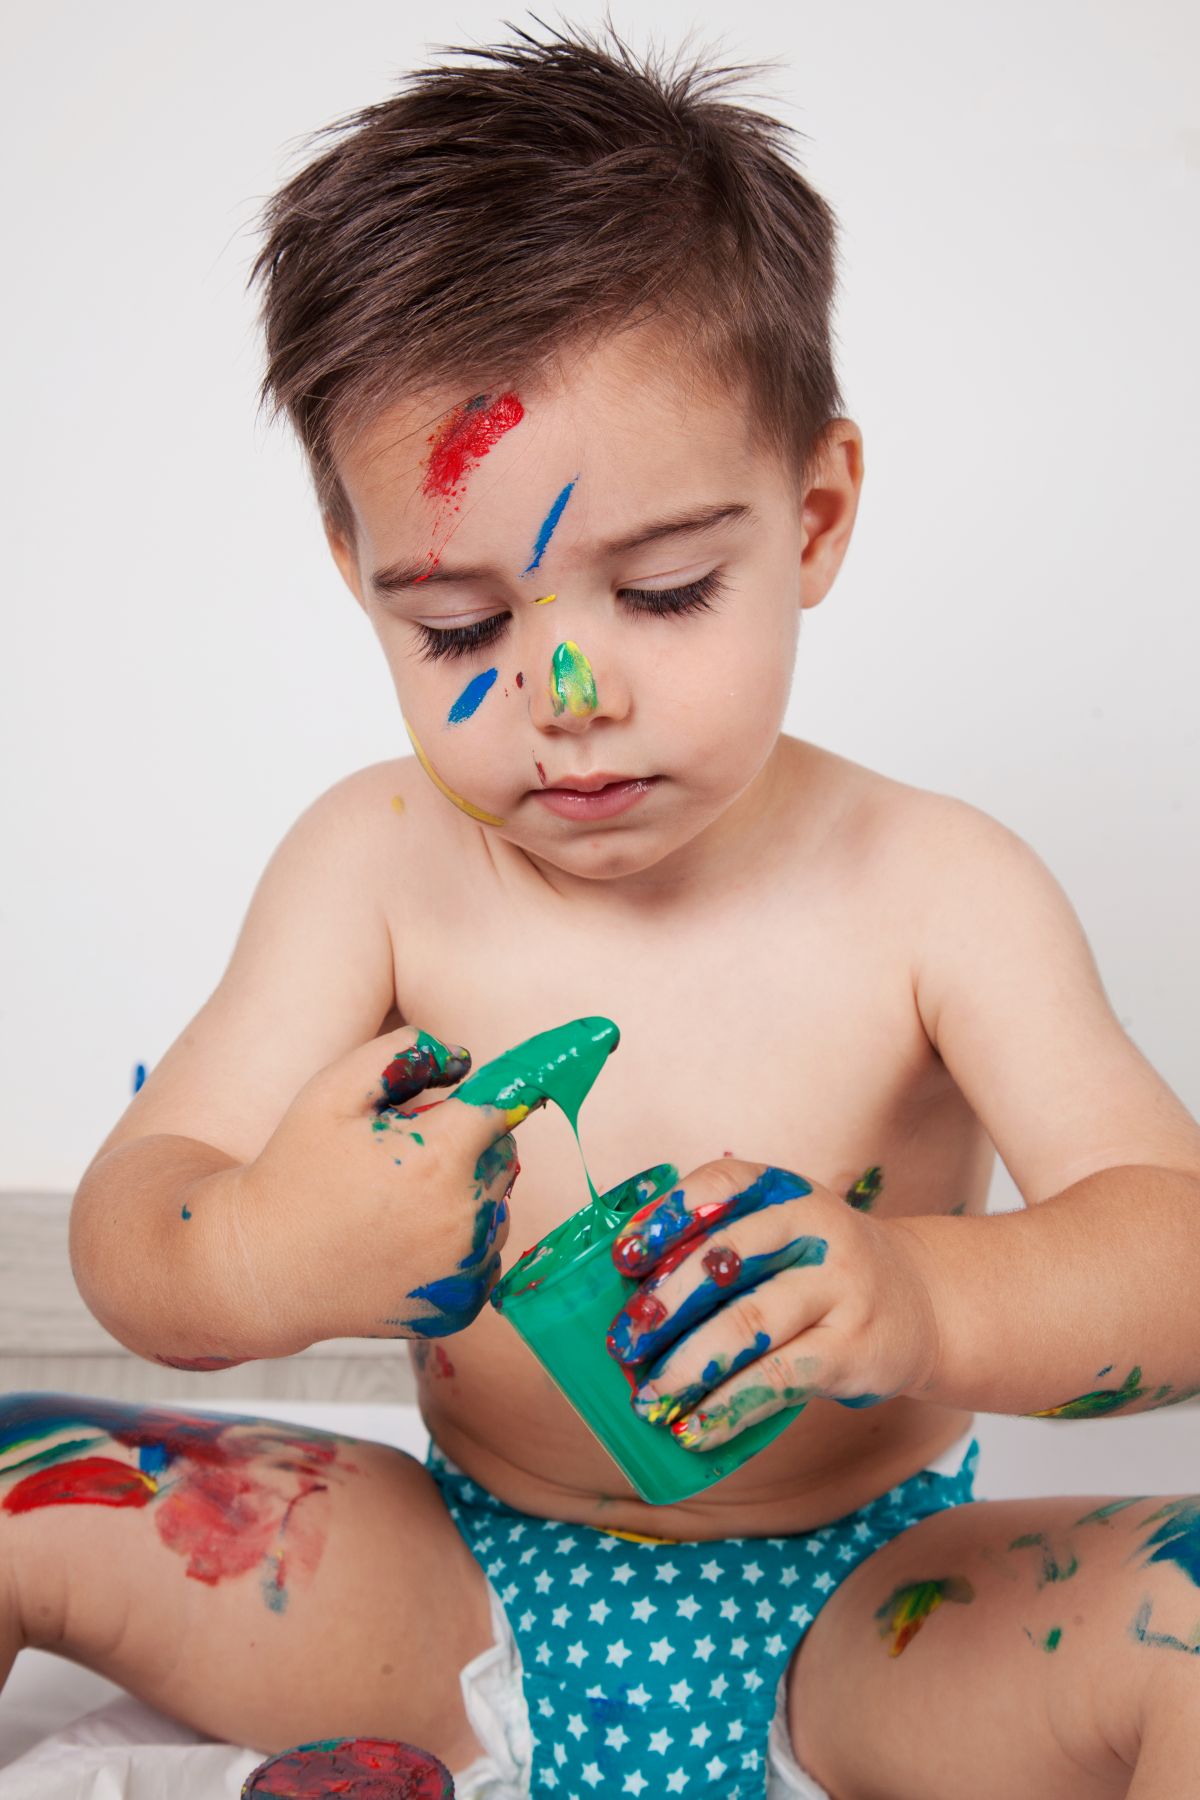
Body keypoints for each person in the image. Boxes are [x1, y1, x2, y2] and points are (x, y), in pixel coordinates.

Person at [5, 19, 1200, 1799]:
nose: (567, 693)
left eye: (663, 589)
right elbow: (131, 1231)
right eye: (463, 628)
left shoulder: (937, 884)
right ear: (360, 575)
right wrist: (272, 1247)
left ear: (813, 514)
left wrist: (916, 1298)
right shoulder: (374, 860)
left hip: (877, 1620)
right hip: (454, 1594)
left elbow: (1171, 1259)